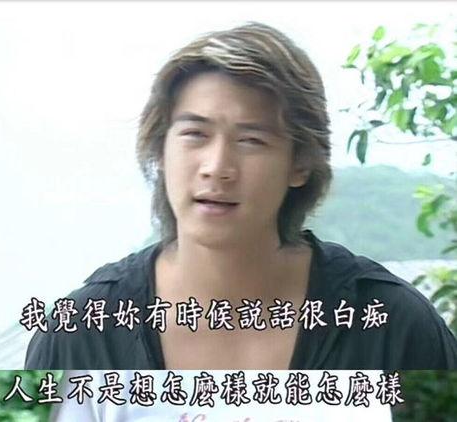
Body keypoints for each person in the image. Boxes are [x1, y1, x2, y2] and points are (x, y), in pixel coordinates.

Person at [25, 22, 457, 370]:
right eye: (195, 134)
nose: (217, 166)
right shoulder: (82, 332)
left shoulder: (391, 326)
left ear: (300, 164)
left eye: (251, 140)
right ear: (160, 150)